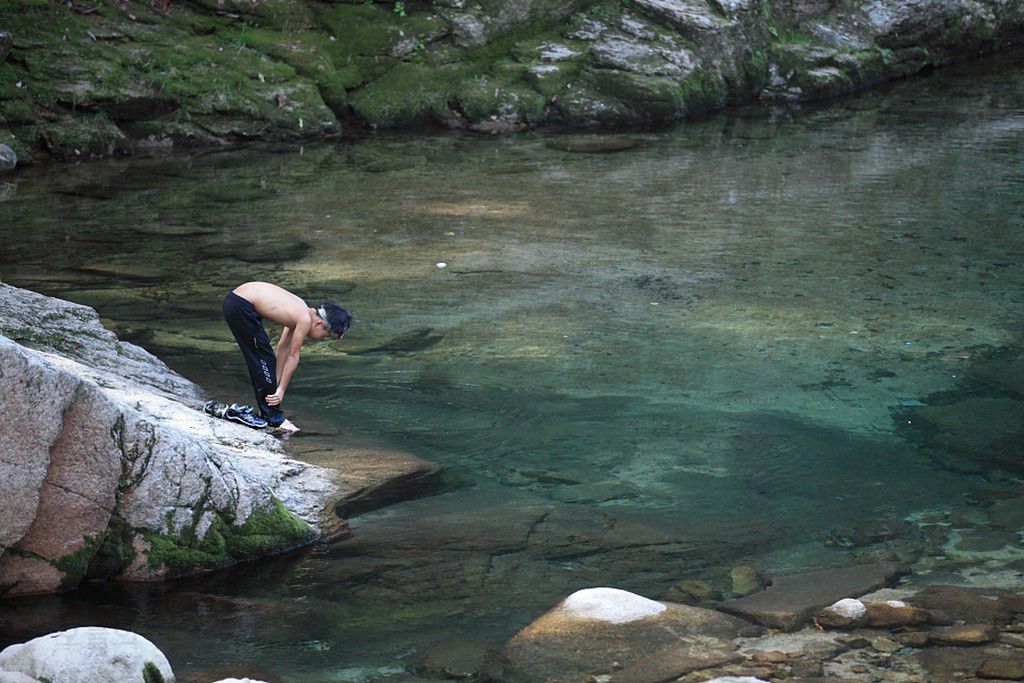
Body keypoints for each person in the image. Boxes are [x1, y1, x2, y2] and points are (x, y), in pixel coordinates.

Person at [222, 281, 351, 432]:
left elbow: (283, 348)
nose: (320, 338)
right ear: (319, 323)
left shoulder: (300, 309)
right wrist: (281, 390)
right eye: (324, 335)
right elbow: (293, 355)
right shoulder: (305, 319)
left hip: (236, 301)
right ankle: (273, 418)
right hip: (241, 305)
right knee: (262, 356)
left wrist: (274, 384)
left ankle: (270, 412)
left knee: (263, 356)